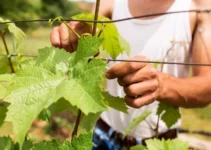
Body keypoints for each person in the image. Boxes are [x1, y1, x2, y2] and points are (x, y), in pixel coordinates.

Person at [50, 0, 211, 149]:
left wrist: (161, 85)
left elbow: (207, 87)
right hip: (104, 136)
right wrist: (76, 33)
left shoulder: (200, 7)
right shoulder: (111, 2)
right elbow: (90, 32)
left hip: (159, 143)